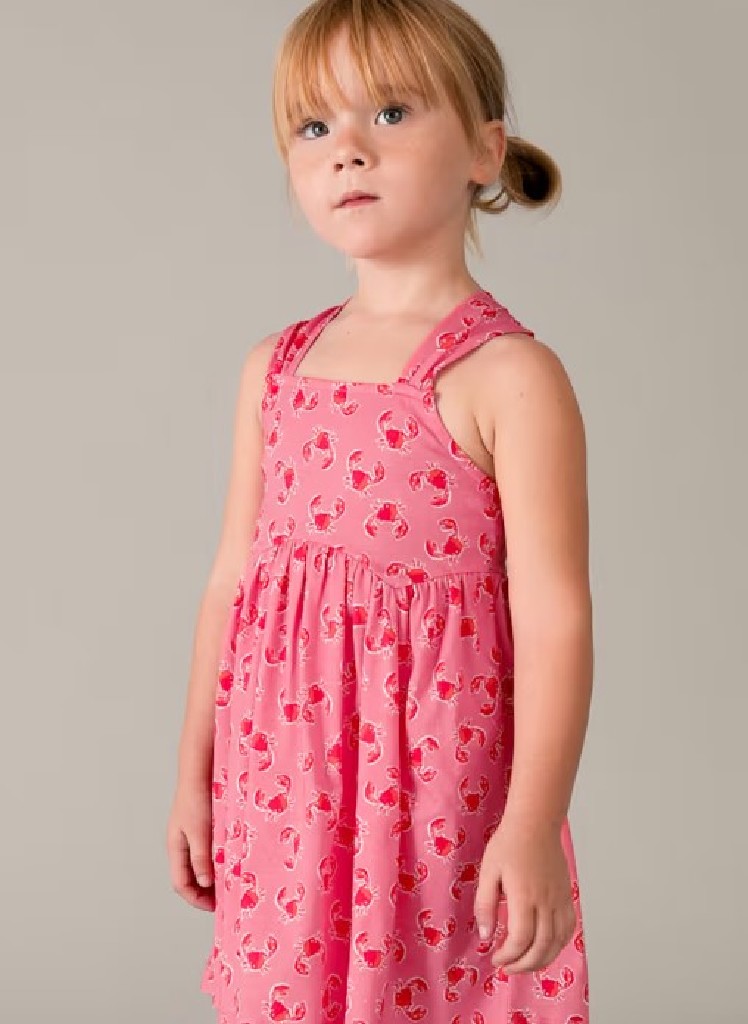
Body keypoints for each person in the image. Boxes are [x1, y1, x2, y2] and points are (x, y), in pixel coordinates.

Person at [166, 1, 594, 1021]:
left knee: (432, 989)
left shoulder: (508, 376)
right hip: (283, 780)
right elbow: (233, 581)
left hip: (433, 784)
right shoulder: (274, 368)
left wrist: (534, 820)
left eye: (391, 113)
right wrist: (193, 772)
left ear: (484, 150)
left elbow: (555, 617)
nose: (347, 149)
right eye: (314, 126)